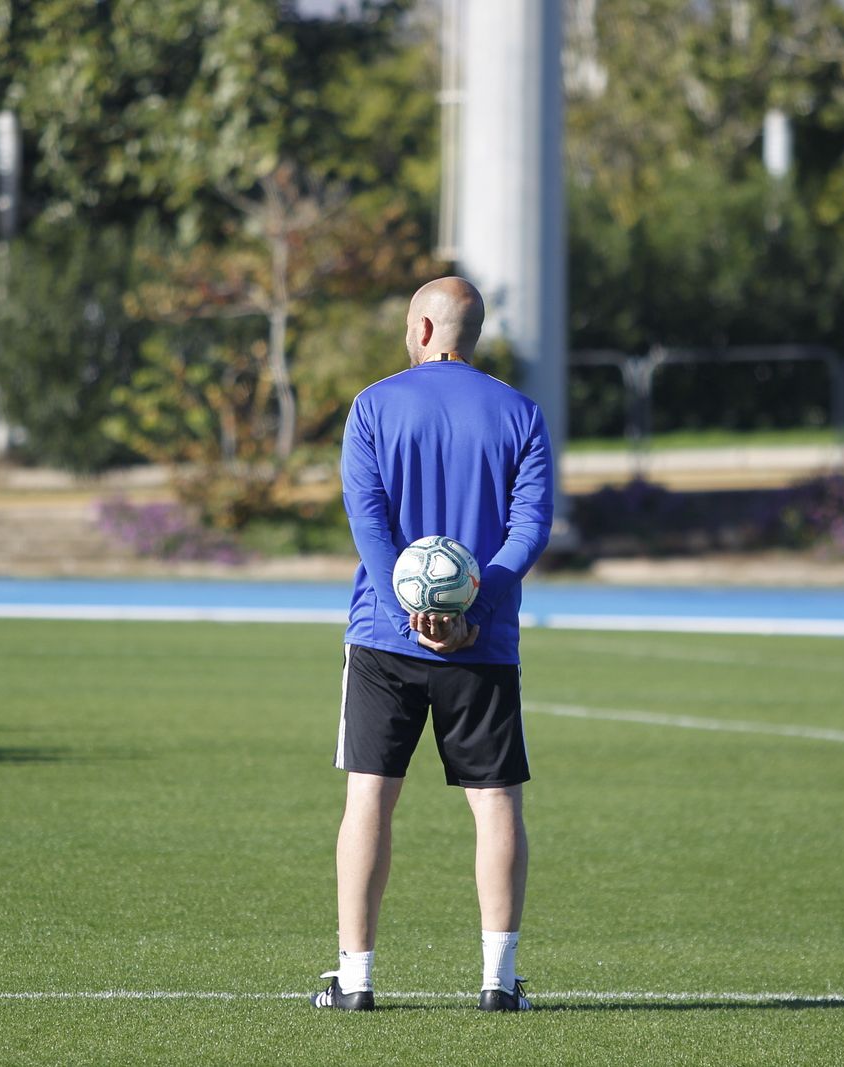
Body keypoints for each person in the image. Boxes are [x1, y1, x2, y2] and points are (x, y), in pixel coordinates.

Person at [311, 276, 554, 1013]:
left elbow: (370, 524)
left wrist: (410, 612)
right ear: (471, 334)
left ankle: (355, 981)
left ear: (422, 328)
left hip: (384, 639)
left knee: (368, 801)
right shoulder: (521, 412)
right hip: (482, 644)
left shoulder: (374, 406)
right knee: (496, 805)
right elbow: (529, 528)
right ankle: (499, 981)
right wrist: (470, 611)